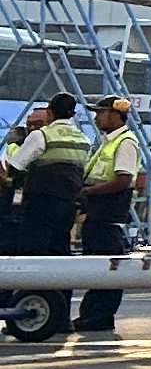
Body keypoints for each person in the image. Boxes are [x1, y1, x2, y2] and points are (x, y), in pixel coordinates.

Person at [72, 101, 141, 332]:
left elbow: (122, 180)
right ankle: (92, 315)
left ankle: (99, 316)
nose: (96, 118)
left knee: (107, 269)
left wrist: (88, 191)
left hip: (108, 216)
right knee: (96, 267)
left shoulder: (125, 143)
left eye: (101, 113)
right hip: (97, 216)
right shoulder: (107, 143)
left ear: (116, 115)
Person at [8, 98, 90, 256]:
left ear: (50, 112)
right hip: (69, 203)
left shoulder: (41, 135)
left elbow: (16, 166)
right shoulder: (83, 139)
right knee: (59, 247)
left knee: (33, 248)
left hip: (41, 202)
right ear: (72, 114)